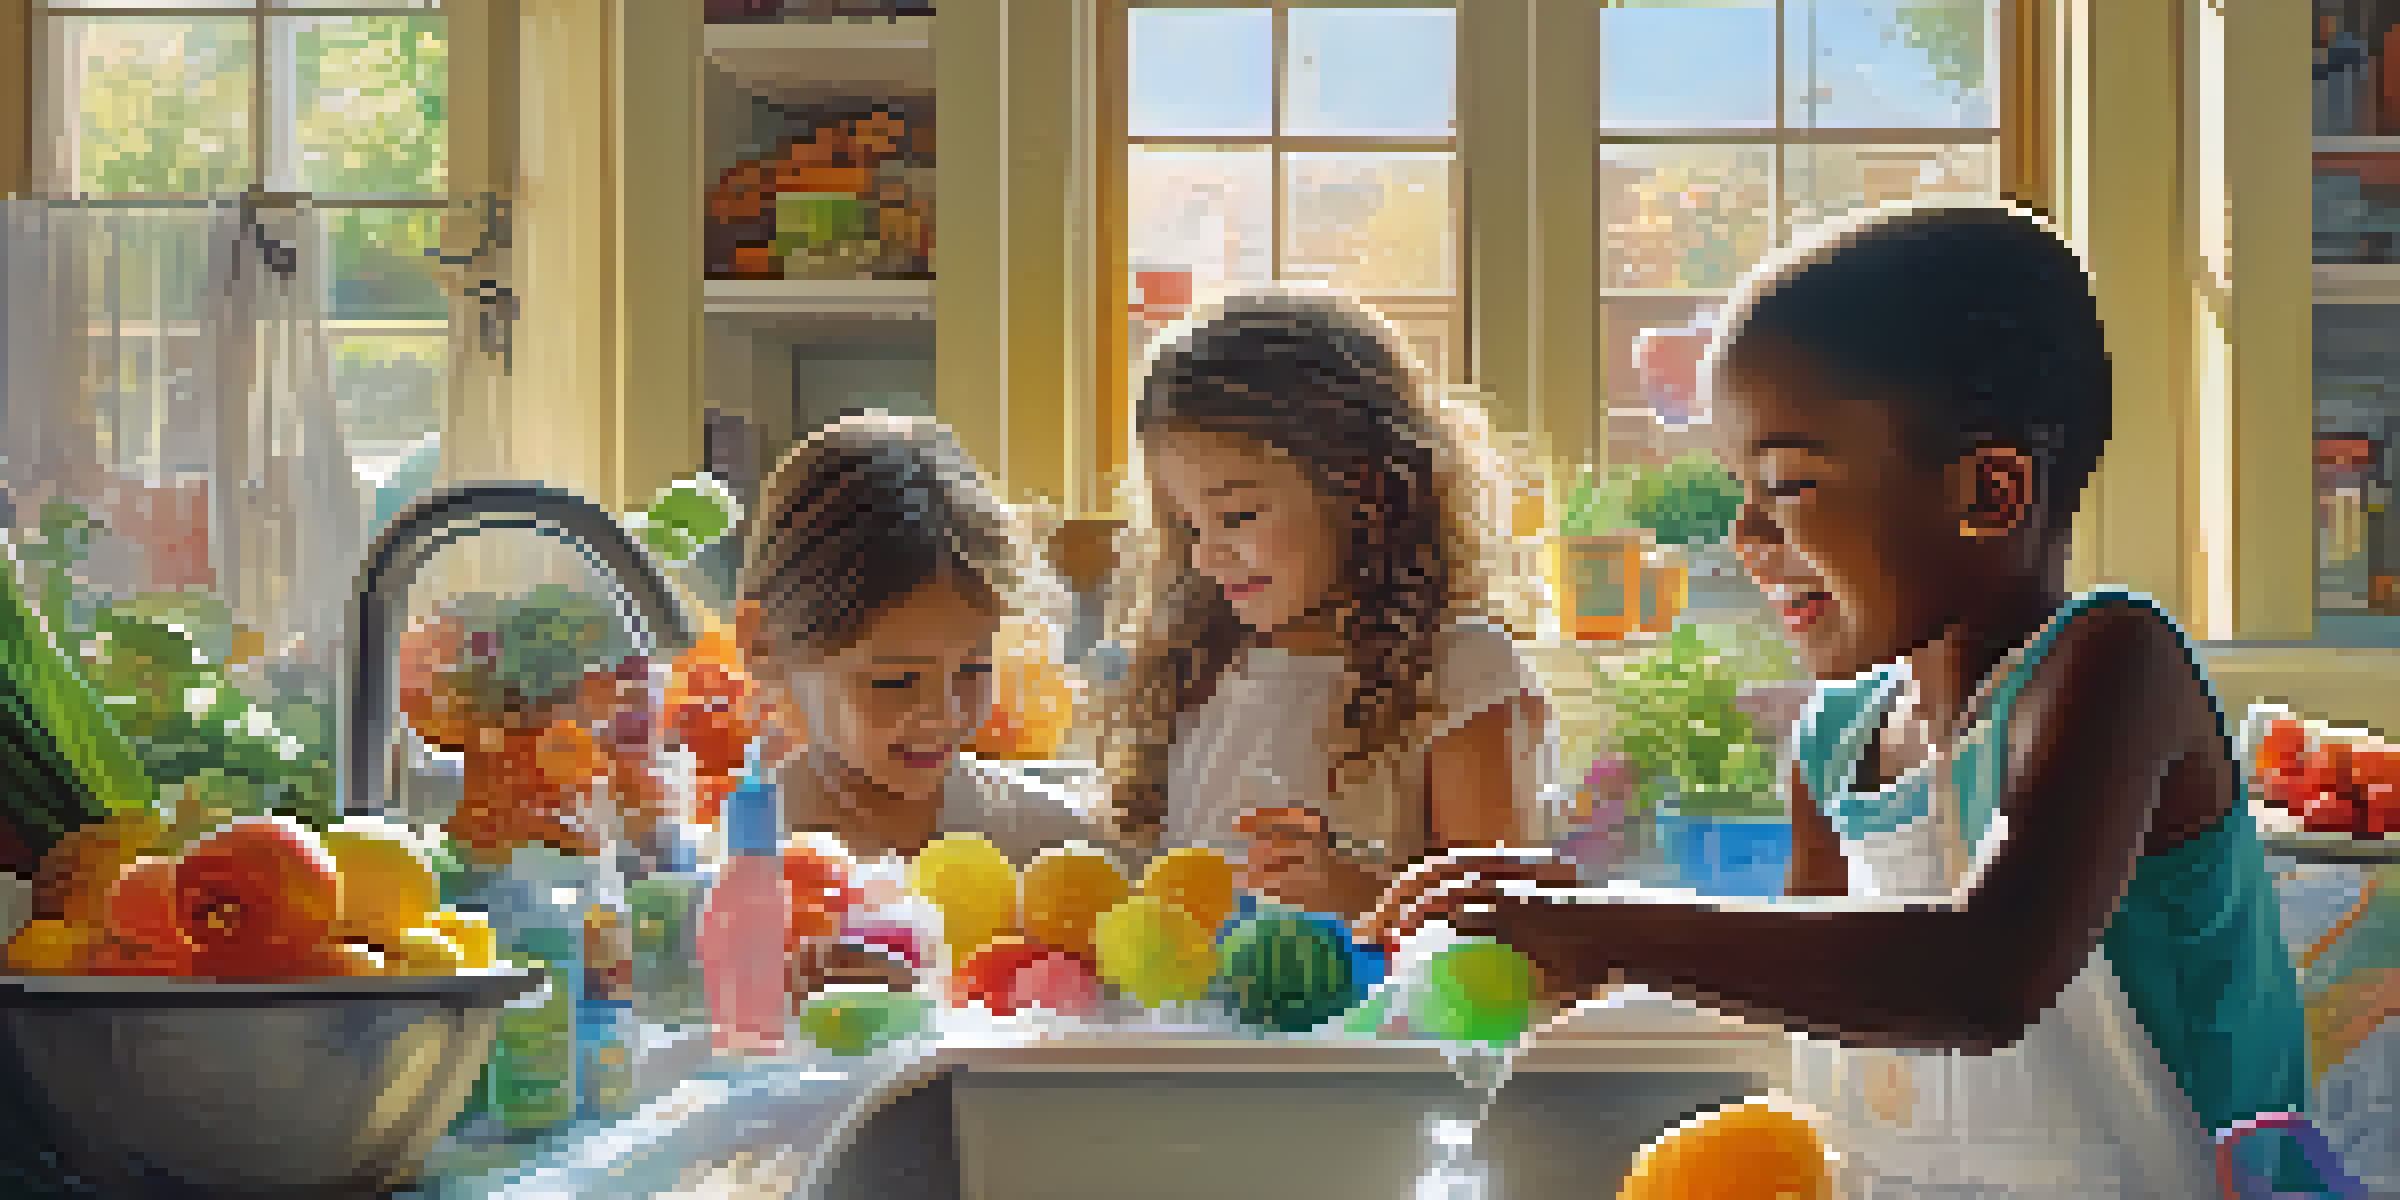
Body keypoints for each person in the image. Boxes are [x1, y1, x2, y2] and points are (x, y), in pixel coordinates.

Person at [1365, 204, 2309, 1197]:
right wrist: (1589, 949)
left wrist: (1611, 926)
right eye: (1740, 487)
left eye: (1788, 483)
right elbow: (1814, 984)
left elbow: (1984, 975)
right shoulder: (1839, 741)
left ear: (1988, 494)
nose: (1746, 534)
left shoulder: (2111, 666)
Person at [1094, 285, 1557, 920]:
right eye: (1189, 524)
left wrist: (1351, 892)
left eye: (1236, 515)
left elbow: (1504, 927)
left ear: (1362, 485)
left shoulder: (1460, 670)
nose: (1204, 556)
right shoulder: (1206, 663)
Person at [732, 412, 1100, 977]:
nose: (944, 714)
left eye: (974, 668)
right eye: (895, 680)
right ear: (762, 645)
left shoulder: (1050, 851)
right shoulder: (731, 873)